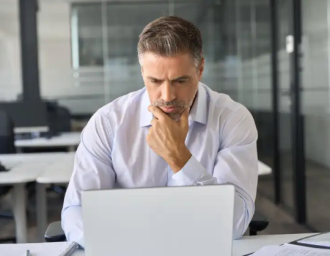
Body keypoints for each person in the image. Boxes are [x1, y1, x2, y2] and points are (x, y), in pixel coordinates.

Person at [62, 16, 258, 247]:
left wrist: (179, 158)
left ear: (200, 69)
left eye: (180, 81)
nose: (167, 96)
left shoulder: (232, 119)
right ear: (142, 71)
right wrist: (123, 246)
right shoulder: (108, 122)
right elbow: (76, 210)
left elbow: (235, 224)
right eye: (154, 80)